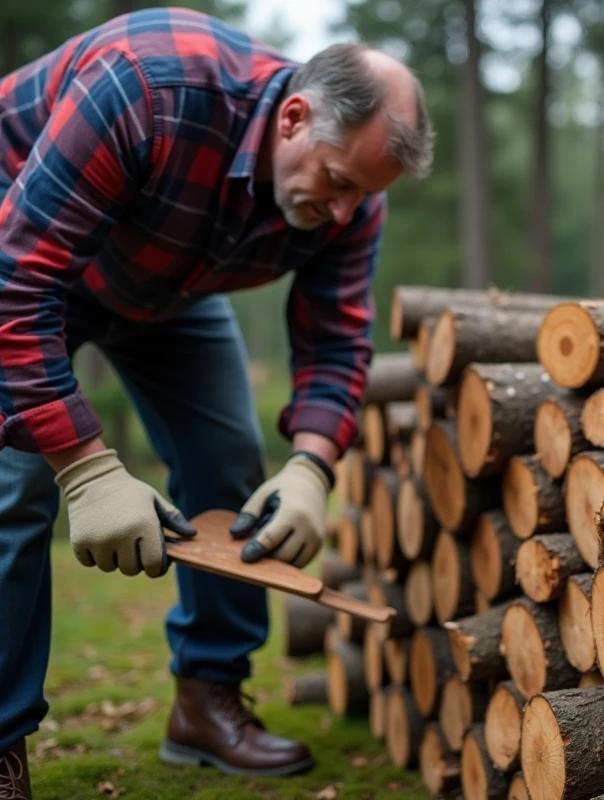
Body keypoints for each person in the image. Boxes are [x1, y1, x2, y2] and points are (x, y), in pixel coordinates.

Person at [0, 8, 433, 796]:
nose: (344, 213)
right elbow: (19, 284)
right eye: (337, 183)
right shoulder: (146, 88)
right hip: (25, 247)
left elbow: (337, 341)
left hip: (165, 284)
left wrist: (311, 465)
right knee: (15, 488)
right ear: (294, 117)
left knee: (228, 457)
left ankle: (207, 701)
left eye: (362, 196)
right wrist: (88, 471)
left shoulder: (354, 194)